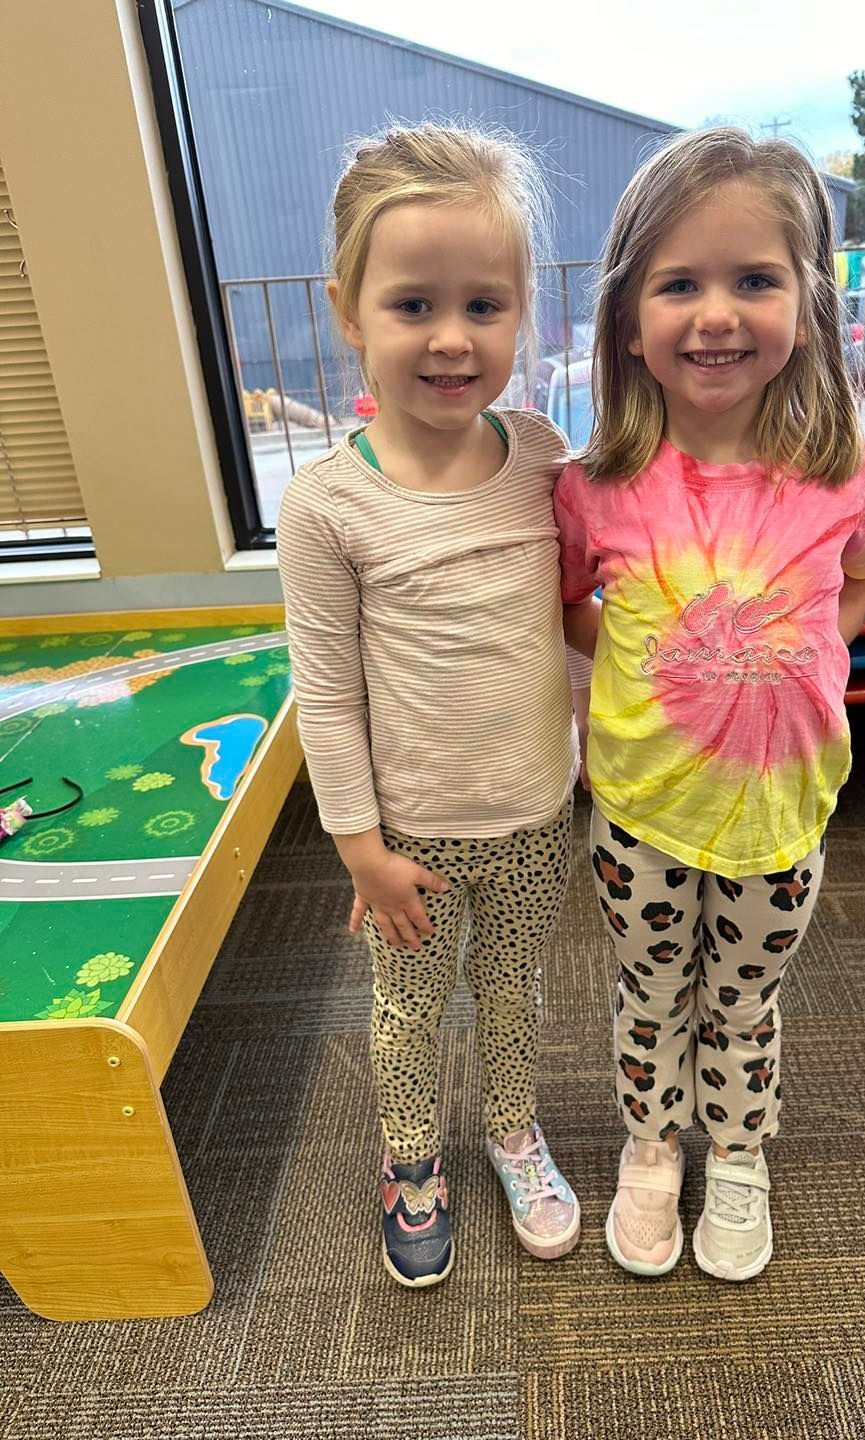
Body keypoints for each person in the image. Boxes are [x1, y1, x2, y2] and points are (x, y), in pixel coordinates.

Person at [555, 127, 865, 1280]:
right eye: (679, 285)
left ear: (806, 303)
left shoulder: (843, 470)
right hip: (641, 811)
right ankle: (653, 1147)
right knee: (651, 993)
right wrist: (652, 668)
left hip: (781, 813)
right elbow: (570, 608)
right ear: (627, 319)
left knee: (746, 999)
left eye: (754, 279)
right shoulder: (596, 487)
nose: (717, 314)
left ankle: (740, 1152)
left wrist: (814, 645)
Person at [277, 124, 589, 1289]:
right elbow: (327, 694)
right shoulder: (326, 508)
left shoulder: (543, 456)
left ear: (521, 314)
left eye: (484, 305)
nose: (453, 337)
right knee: (408, 1009)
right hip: (410, 835)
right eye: (413, 304)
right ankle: (410, 1161)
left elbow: (574, 620)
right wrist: (359, 847)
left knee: (515, 990)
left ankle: (512, 1131)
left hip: (534, 815)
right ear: (349, 312)